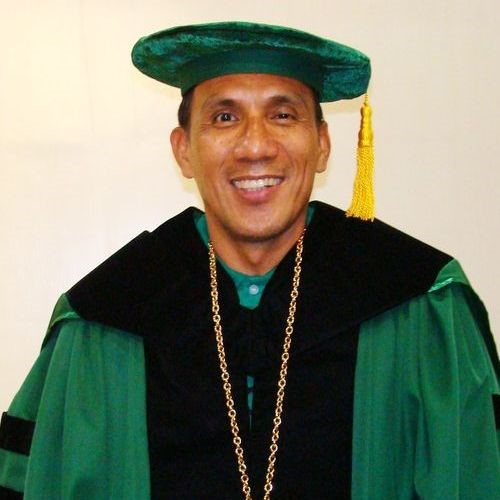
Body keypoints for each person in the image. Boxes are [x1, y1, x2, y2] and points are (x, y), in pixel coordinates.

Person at [0, 21, 498, 500]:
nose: (256, 146)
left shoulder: (419, 304)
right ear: (184, 151)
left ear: (322, 145)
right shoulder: (104, 317)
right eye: (224, 117)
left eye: (283, 115)